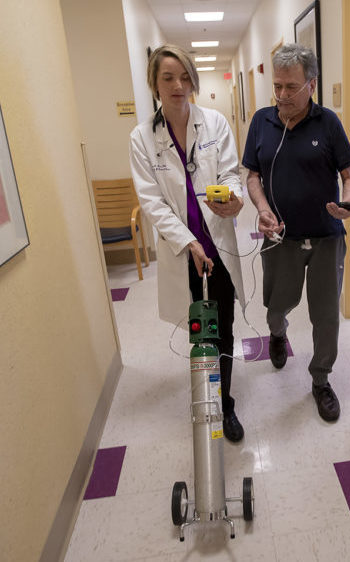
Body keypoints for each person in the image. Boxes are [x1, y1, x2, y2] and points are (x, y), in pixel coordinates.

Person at [129, 44, 247, 441]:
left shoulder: (214, 123)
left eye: (184, 77)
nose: (178, 85)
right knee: (202, 331)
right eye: (168, 78)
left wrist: (234, 199)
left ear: (193, 80)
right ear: (154, 83)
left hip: (219, 249)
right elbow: (152, 201)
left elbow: (231, 172)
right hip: (185, 255)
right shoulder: (142, 138)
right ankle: (206, 398)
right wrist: (188, 241)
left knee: (225, 328)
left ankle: (225, 403)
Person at [242, 43, 350, 422]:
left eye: (290, 87)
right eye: (276, 86)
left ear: (311, 84)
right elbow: (252, 176)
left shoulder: (328, 123)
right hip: (280, 237)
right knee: (277, 306)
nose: (281, 96)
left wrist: (348, 201)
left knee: (326, 316)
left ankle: (321, 380)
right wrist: (262, 209)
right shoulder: (262, 121)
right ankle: (277, 335)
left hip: (327, 238)